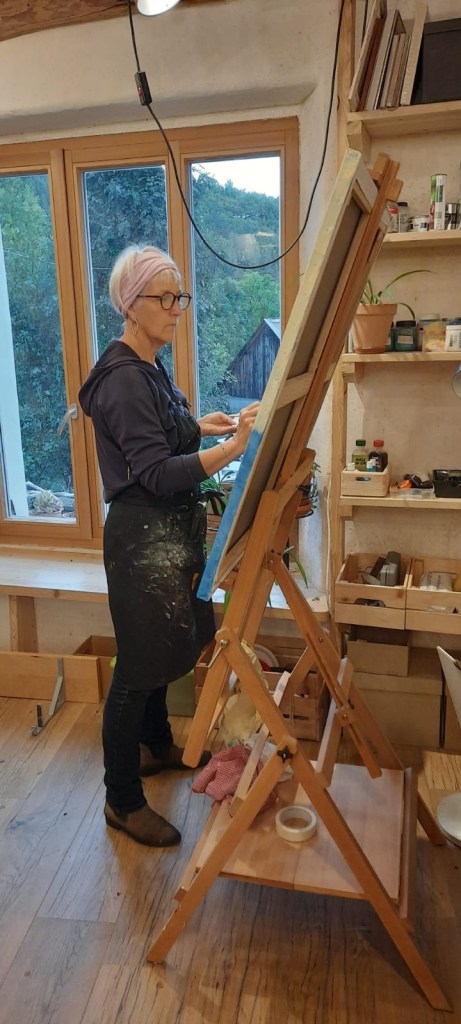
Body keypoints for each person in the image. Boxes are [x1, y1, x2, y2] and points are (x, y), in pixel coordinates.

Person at [79, 244, 259, 848]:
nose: (178, 307)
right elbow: (154, 473)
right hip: (142, 543)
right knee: (137, 669)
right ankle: (122, 801)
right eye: (165, 296)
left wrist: (202, 426)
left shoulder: (148, 365)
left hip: (164, 539)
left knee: (163, 653)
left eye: (180, 295)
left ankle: (156, 746)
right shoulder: (123, 379)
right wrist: (232, 450)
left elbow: (160, 437)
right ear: (132, 305)